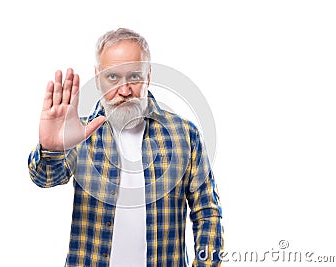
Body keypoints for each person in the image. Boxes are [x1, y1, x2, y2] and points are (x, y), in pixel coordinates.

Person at [28, 28, 223, 267]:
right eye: (113, 77)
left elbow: (207, 212)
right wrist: (52, 148)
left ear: (148, 76)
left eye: (134, 76)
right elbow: (45, 178)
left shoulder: (185, 134)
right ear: (98, 77)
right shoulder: (78, 133)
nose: (124, 90)